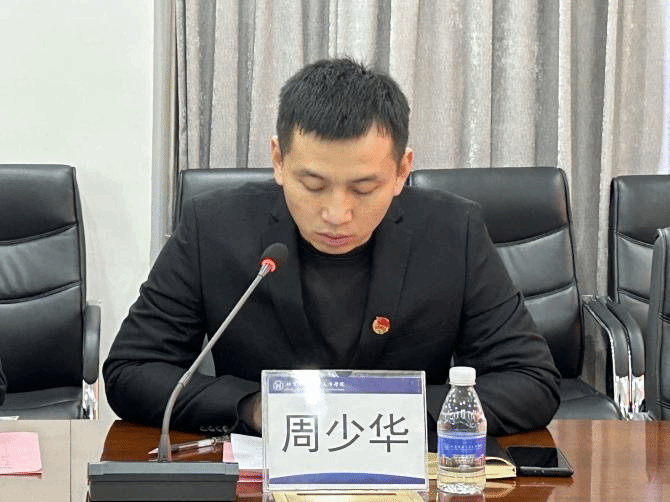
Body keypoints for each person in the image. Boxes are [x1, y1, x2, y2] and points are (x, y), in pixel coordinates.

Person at [104, 58, 560, 442]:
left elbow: (531, 381)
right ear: (278, 160)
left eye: (364, 188)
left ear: (402, 170)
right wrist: (255, 407)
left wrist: (384, 414)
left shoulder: (452, 231)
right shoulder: (215, 227)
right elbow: (132, 370)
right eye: (313, 184)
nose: (337, 213)